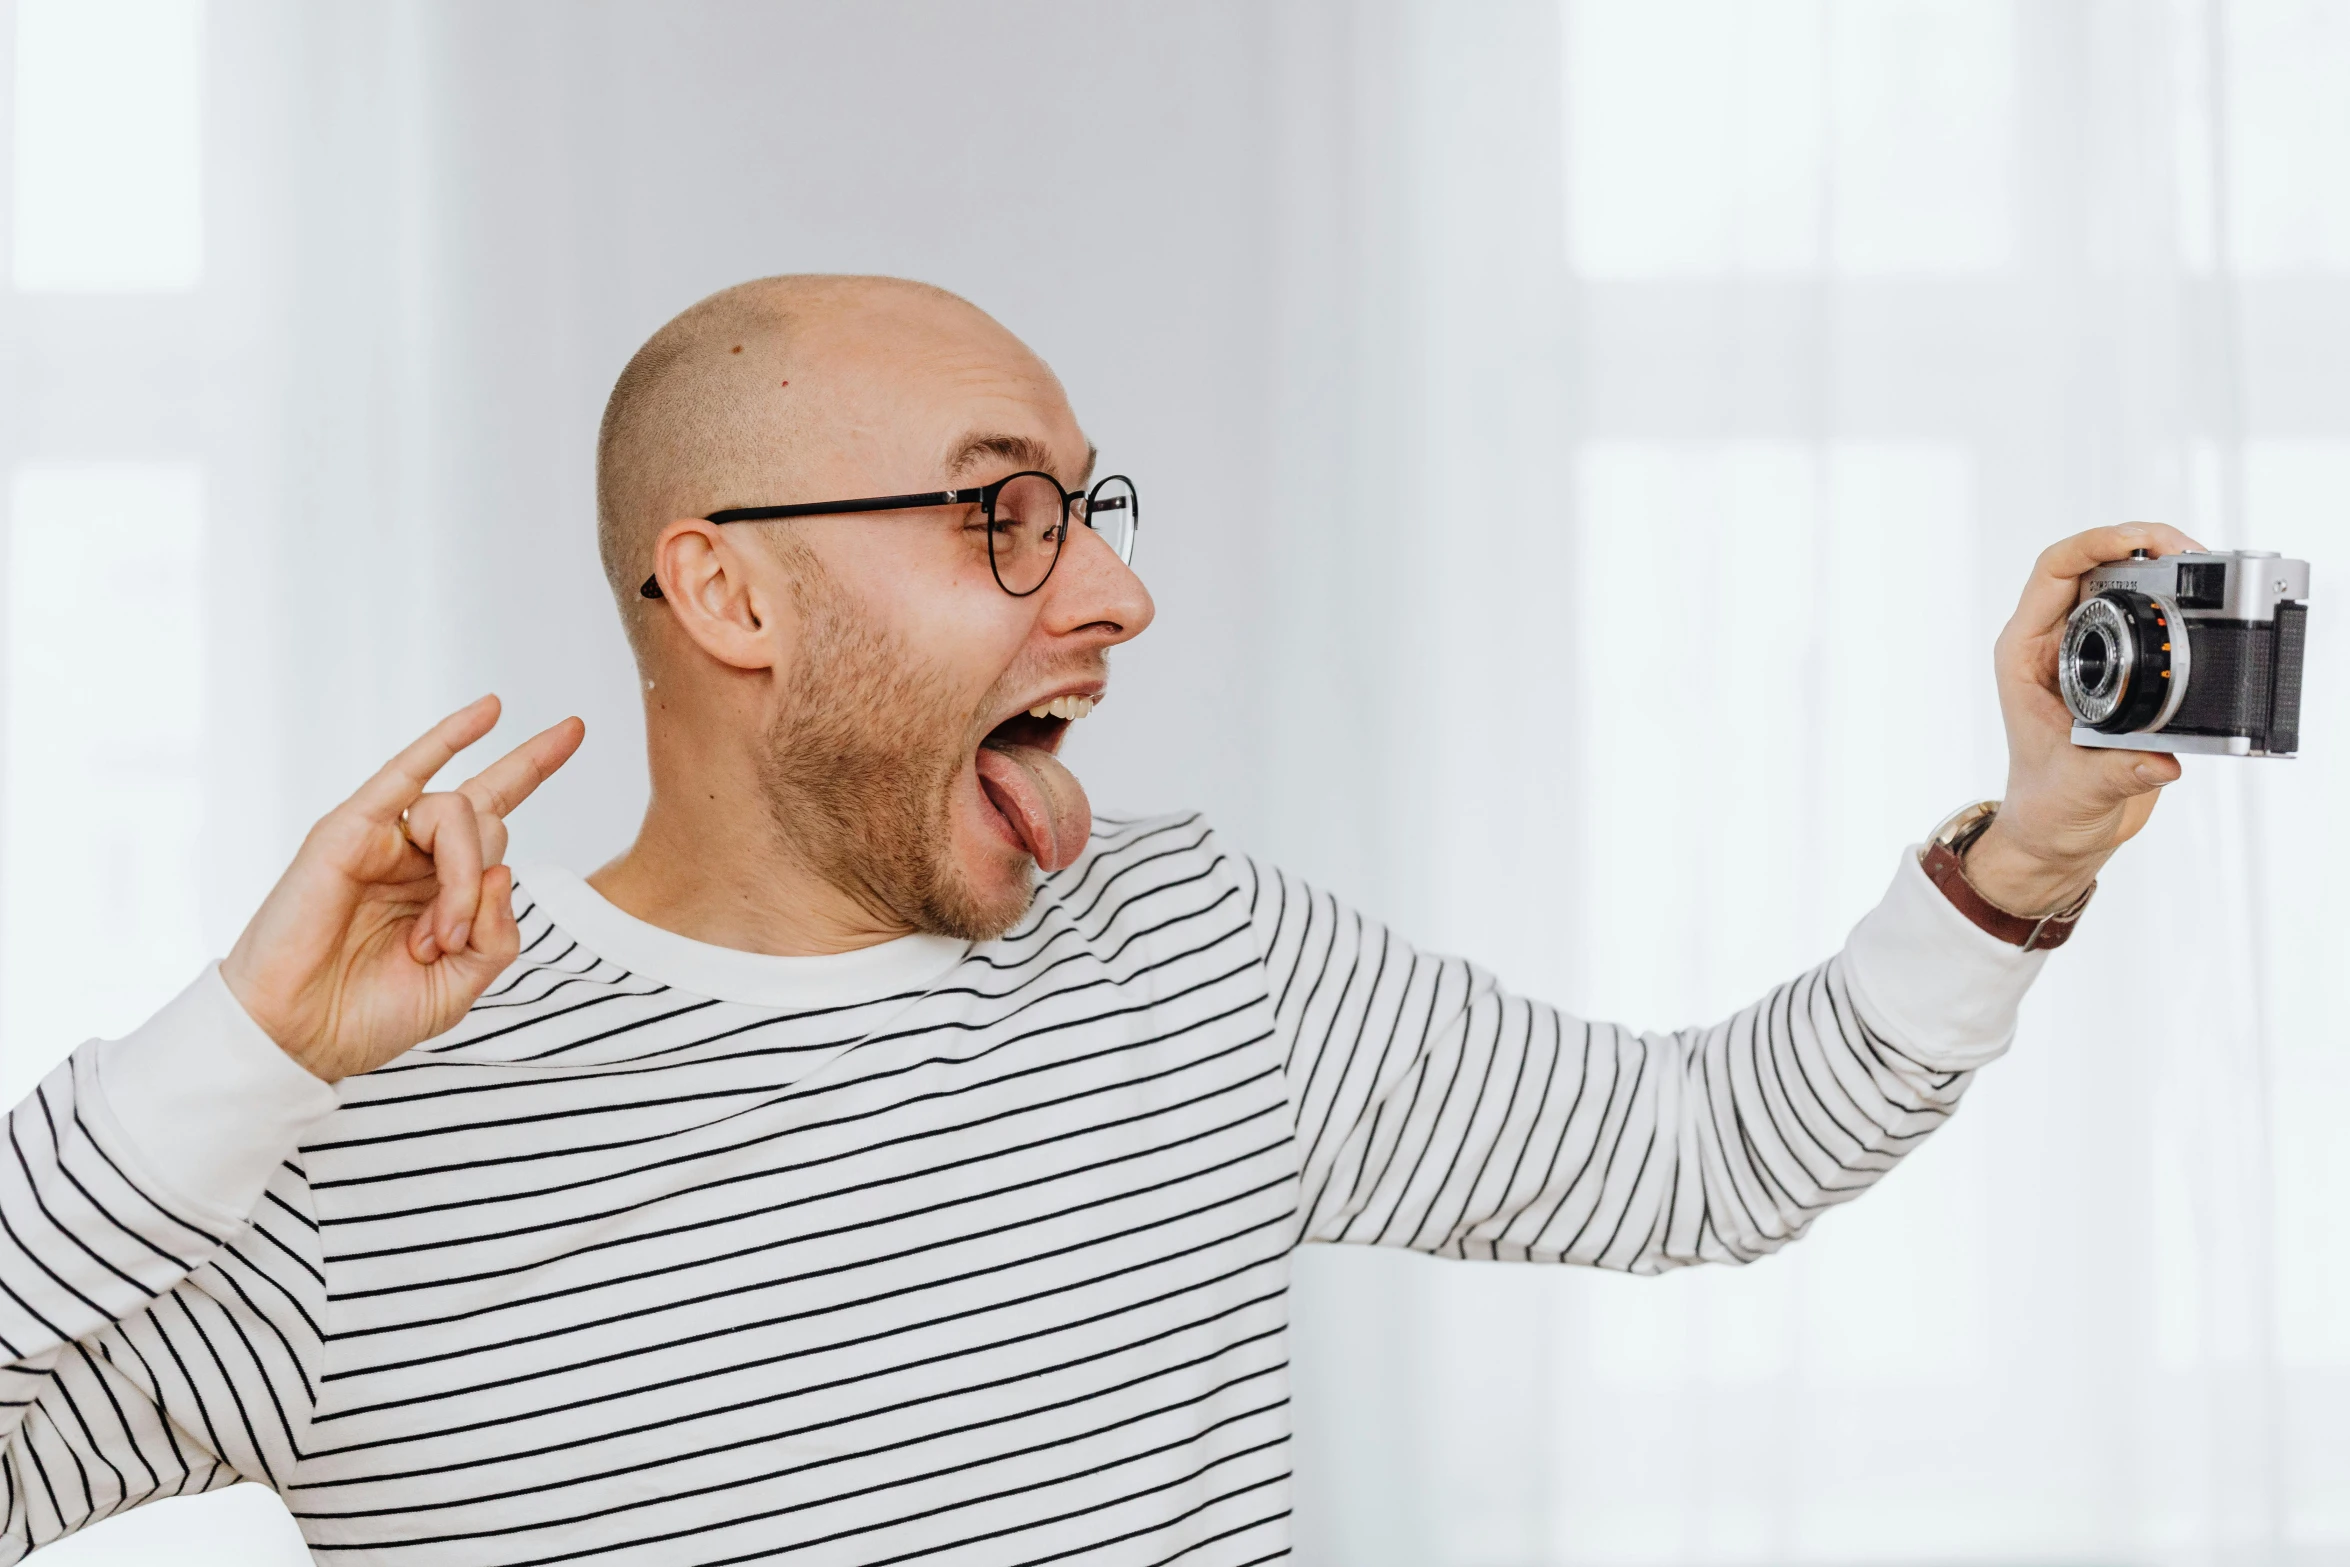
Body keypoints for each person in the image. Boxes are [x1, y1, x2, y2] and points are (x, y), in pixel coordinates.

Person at [0, 276, 2191, 1565]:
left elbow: (1695, 1160)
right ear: (731, 590)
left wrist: (2030, 849)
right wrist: (237, 1055)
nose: (1117, 594)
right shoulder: (350, 1134)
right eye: (1002, 517)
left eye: (1091, 513)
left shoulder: (1188, 951)